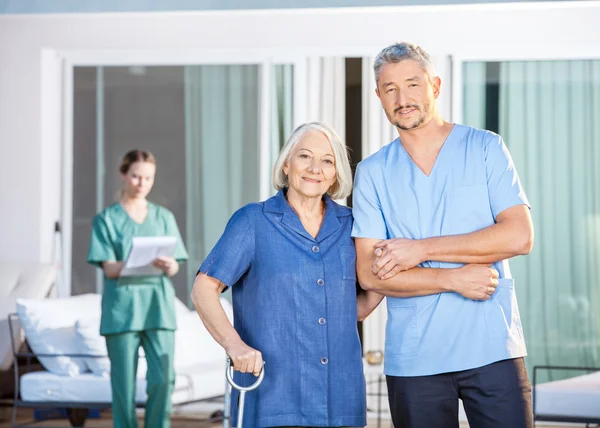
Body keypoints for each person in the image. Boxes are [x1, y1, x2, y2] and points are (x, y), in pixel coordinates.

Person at [351, 42, 535, 428]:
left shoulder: (485, 148)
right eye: (390, 89)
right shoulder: (372, 172)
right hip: (415, 360)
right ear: (379, 97)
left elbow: (518, 236)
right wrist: (453, 278)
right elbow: (369, 274)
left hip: (492, 349)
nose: (403, 98)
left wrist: (419, 251)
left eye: (413, 84)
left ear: (434, 86)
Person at [190, 122, 382, 428]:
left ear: (336, 175)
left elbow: (361, 301)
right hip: (271, 396)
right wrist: (234, 345)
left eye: (328, 161)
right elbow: (203, 288)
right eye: (305, 156)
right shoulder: (252, 221)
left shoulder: (353, 226)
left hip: (340, 398)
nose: (315, 168)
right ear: (287, 163)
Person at [87, 149, 188, 428]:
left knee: (164, 378)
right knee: (124, 385)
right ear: (123, 175)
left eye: (148, 178)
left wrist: (169, 266)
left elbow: (176, 263)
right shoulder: (105, 220)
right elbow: (108, 267)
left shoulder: (164, 216)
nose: (141, 183)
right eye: (135, 176)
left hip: (158, 305)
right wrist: (136, 261)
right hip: (123, 308)